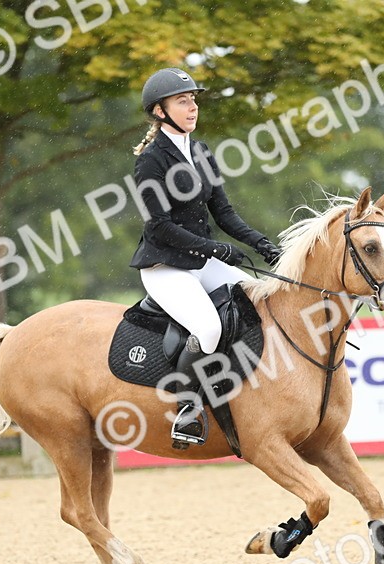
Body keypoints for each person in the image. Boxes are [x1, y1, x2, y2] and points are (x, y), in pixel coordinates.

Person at [128, 67, 282, 447]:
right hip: (165, 266)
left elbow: (224, 214)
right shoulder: (151, 160)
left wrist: (263, 244)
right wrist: (214, 249)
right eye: (183, 101)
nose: (192, 107)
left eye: (193, 99)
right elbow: (159, 227)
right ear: (160, 111)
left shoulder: (200, 151)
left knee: (258, 299)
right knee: (209, 328)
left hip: (202, 261)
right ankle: (188, 407)